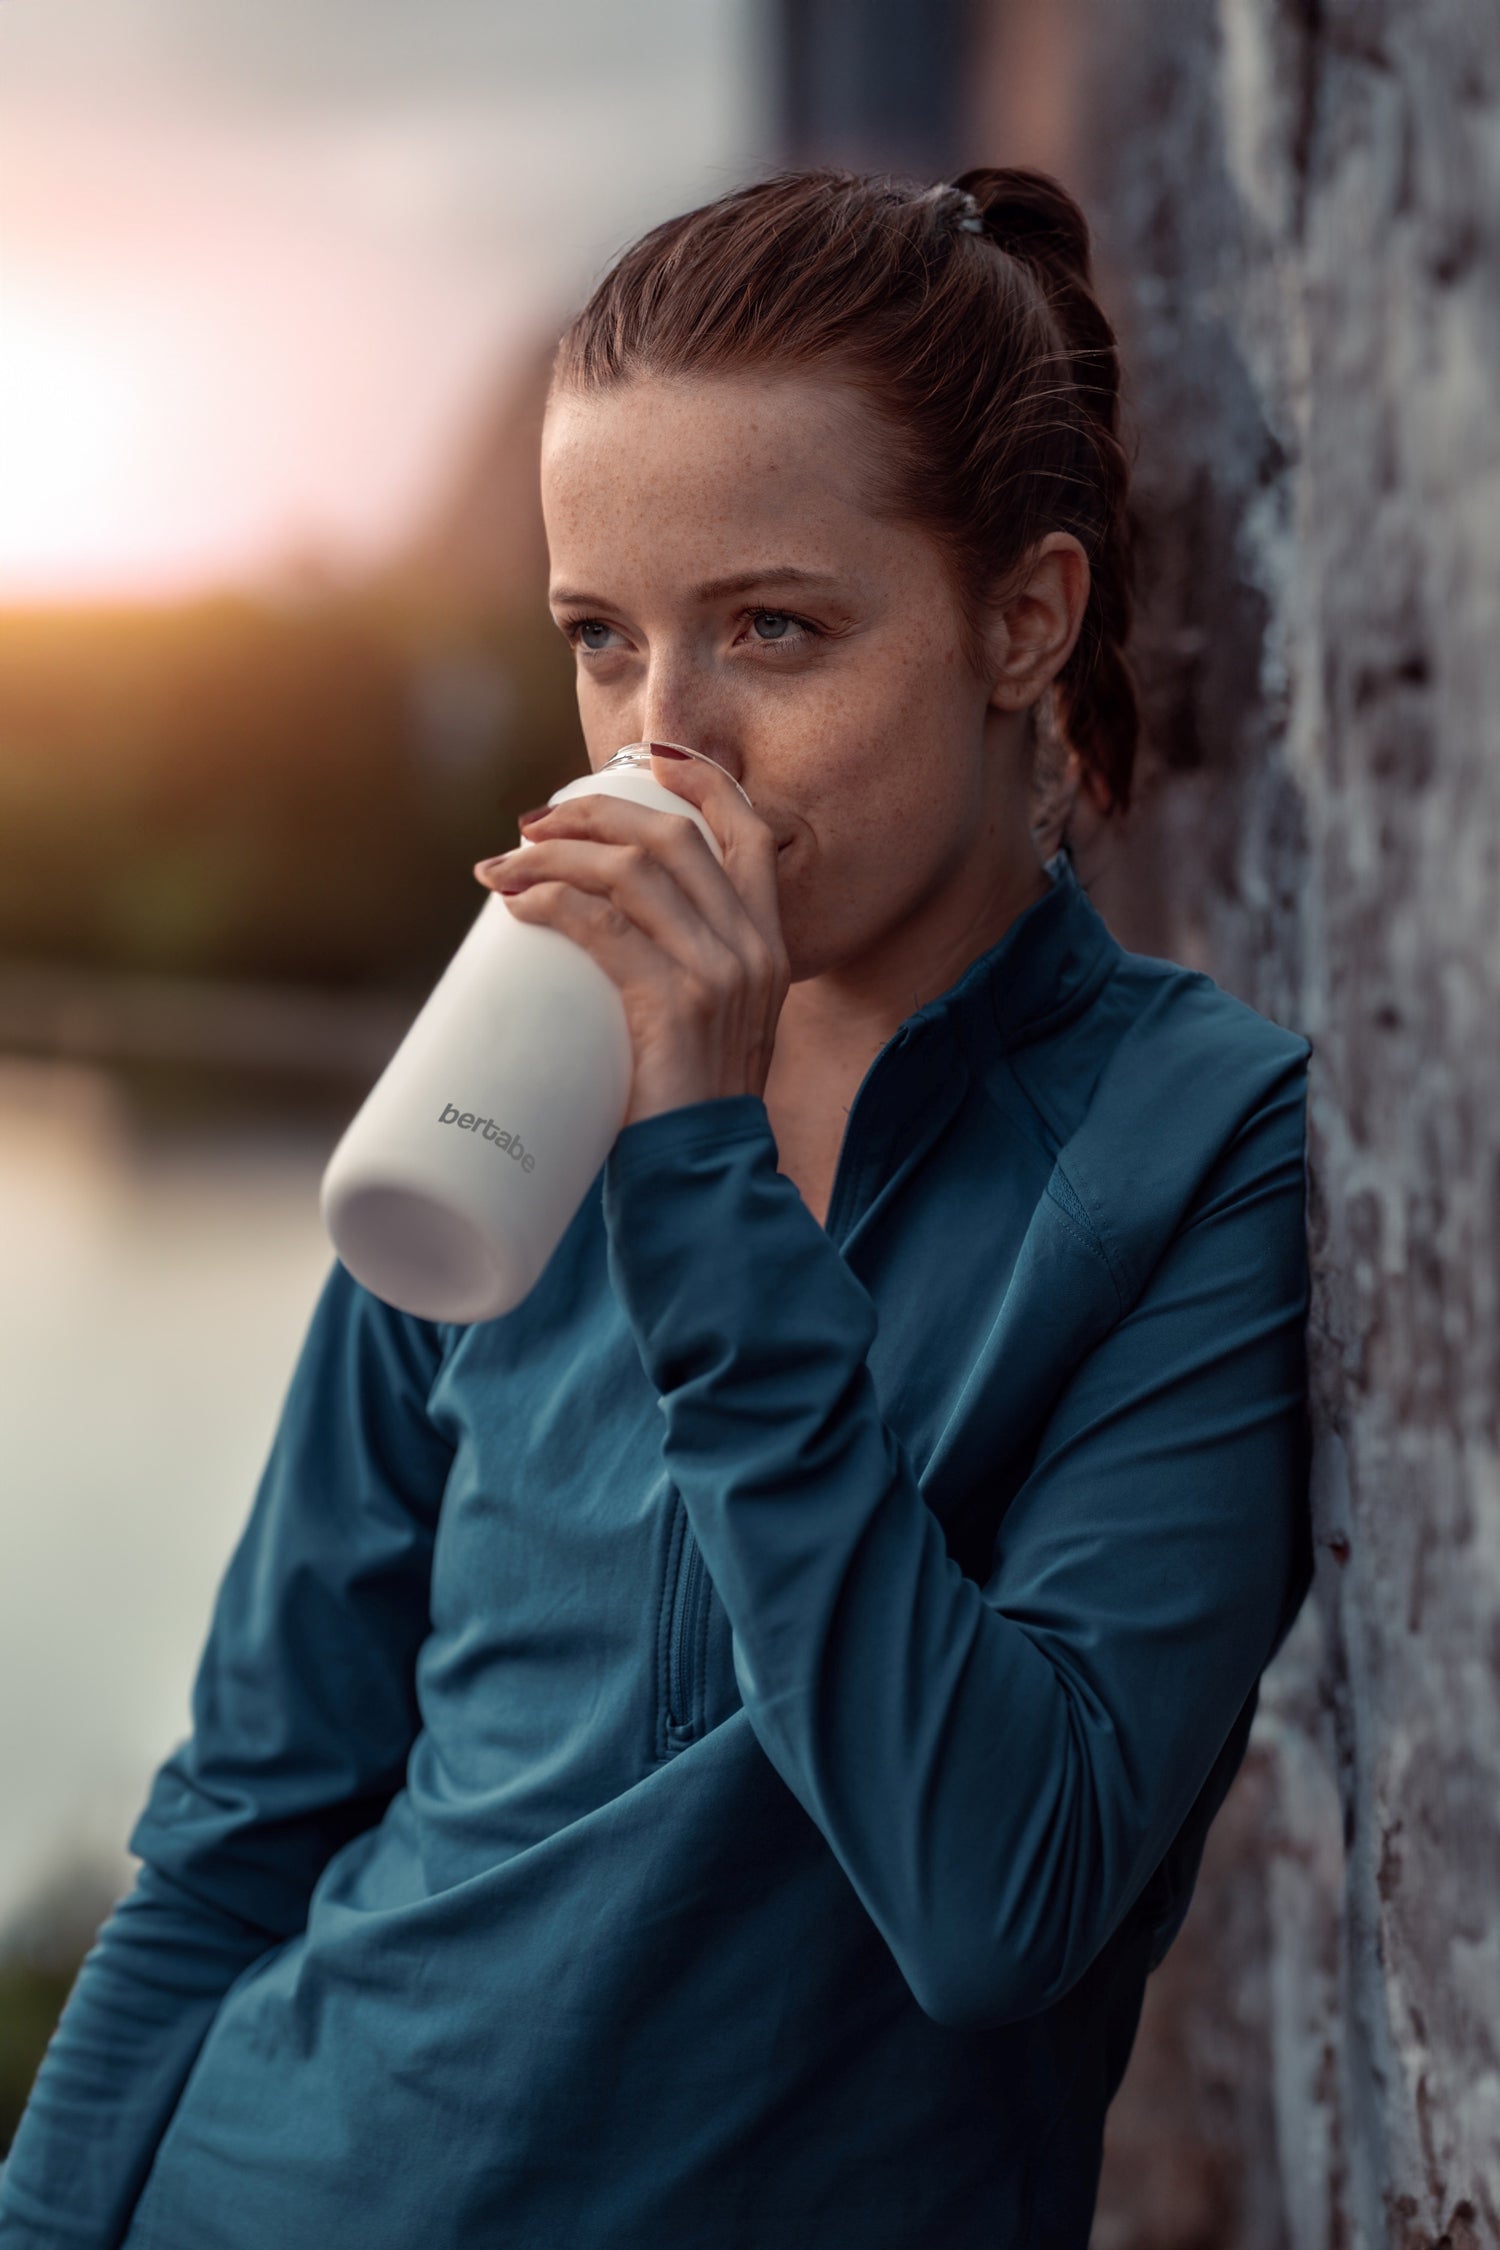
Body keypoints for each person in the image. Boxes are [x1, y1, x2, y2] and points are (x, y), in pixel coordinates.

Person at [0, 166, 1314, 2249]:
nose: (664, 747)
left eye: (772, 628)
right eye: (601, 644)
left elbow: (1004, 1899)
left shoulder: (1199, 1147)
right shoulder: (507, 1075)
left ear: (1023, 619)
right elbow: (249, 1821)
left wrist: (704, 1171)